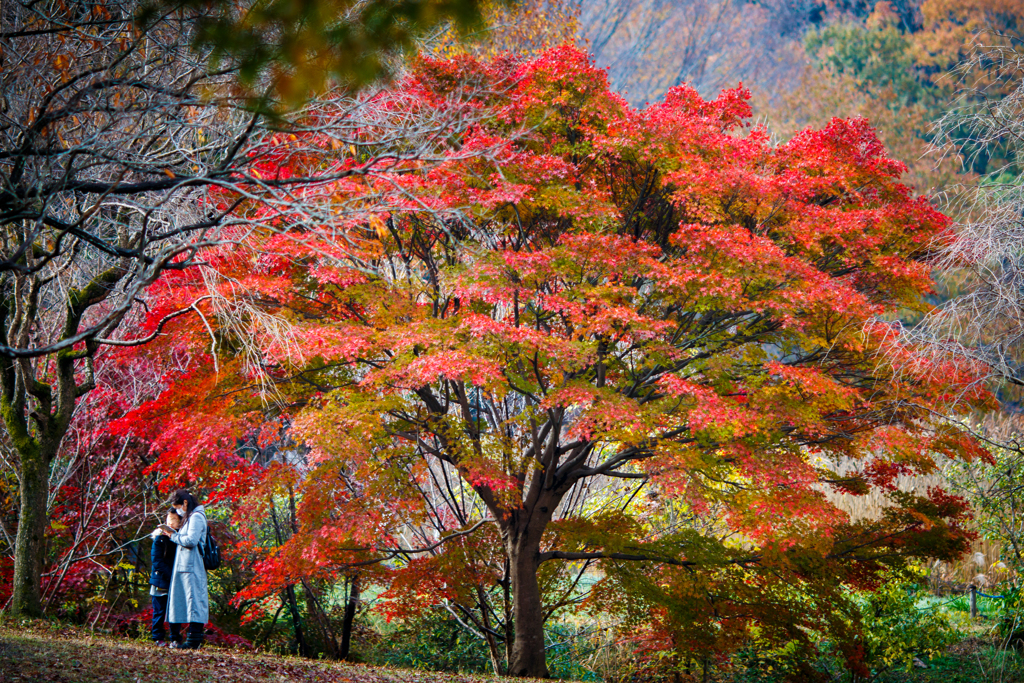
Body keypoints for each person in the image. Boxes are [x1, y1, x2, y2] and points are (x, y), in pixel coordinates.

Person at [162, 489, 209, 650]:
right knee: (184, 601)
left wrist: (173, 536)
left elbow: (191, 540)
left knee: (194, 601)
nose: (177, 511)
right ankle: (181, 639)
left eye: (178, 507)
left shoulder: (196, 517)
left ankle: (193, 640)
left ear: (185, 503)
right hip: (185, 564)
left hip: (192, 564)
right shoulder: (190, 516)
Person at [150, 510, 182, 645]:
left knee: (176, 610)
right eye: (169, 518)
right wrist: (171, 575)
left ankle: (175, 638)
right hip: (161, 580)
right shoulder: (159, 538)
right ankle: (158, 638)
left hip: (177, 580)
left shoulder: (181, 539)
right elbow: (157, 561)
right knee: (159, 611)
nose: (170, 521)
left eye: (174, 519)